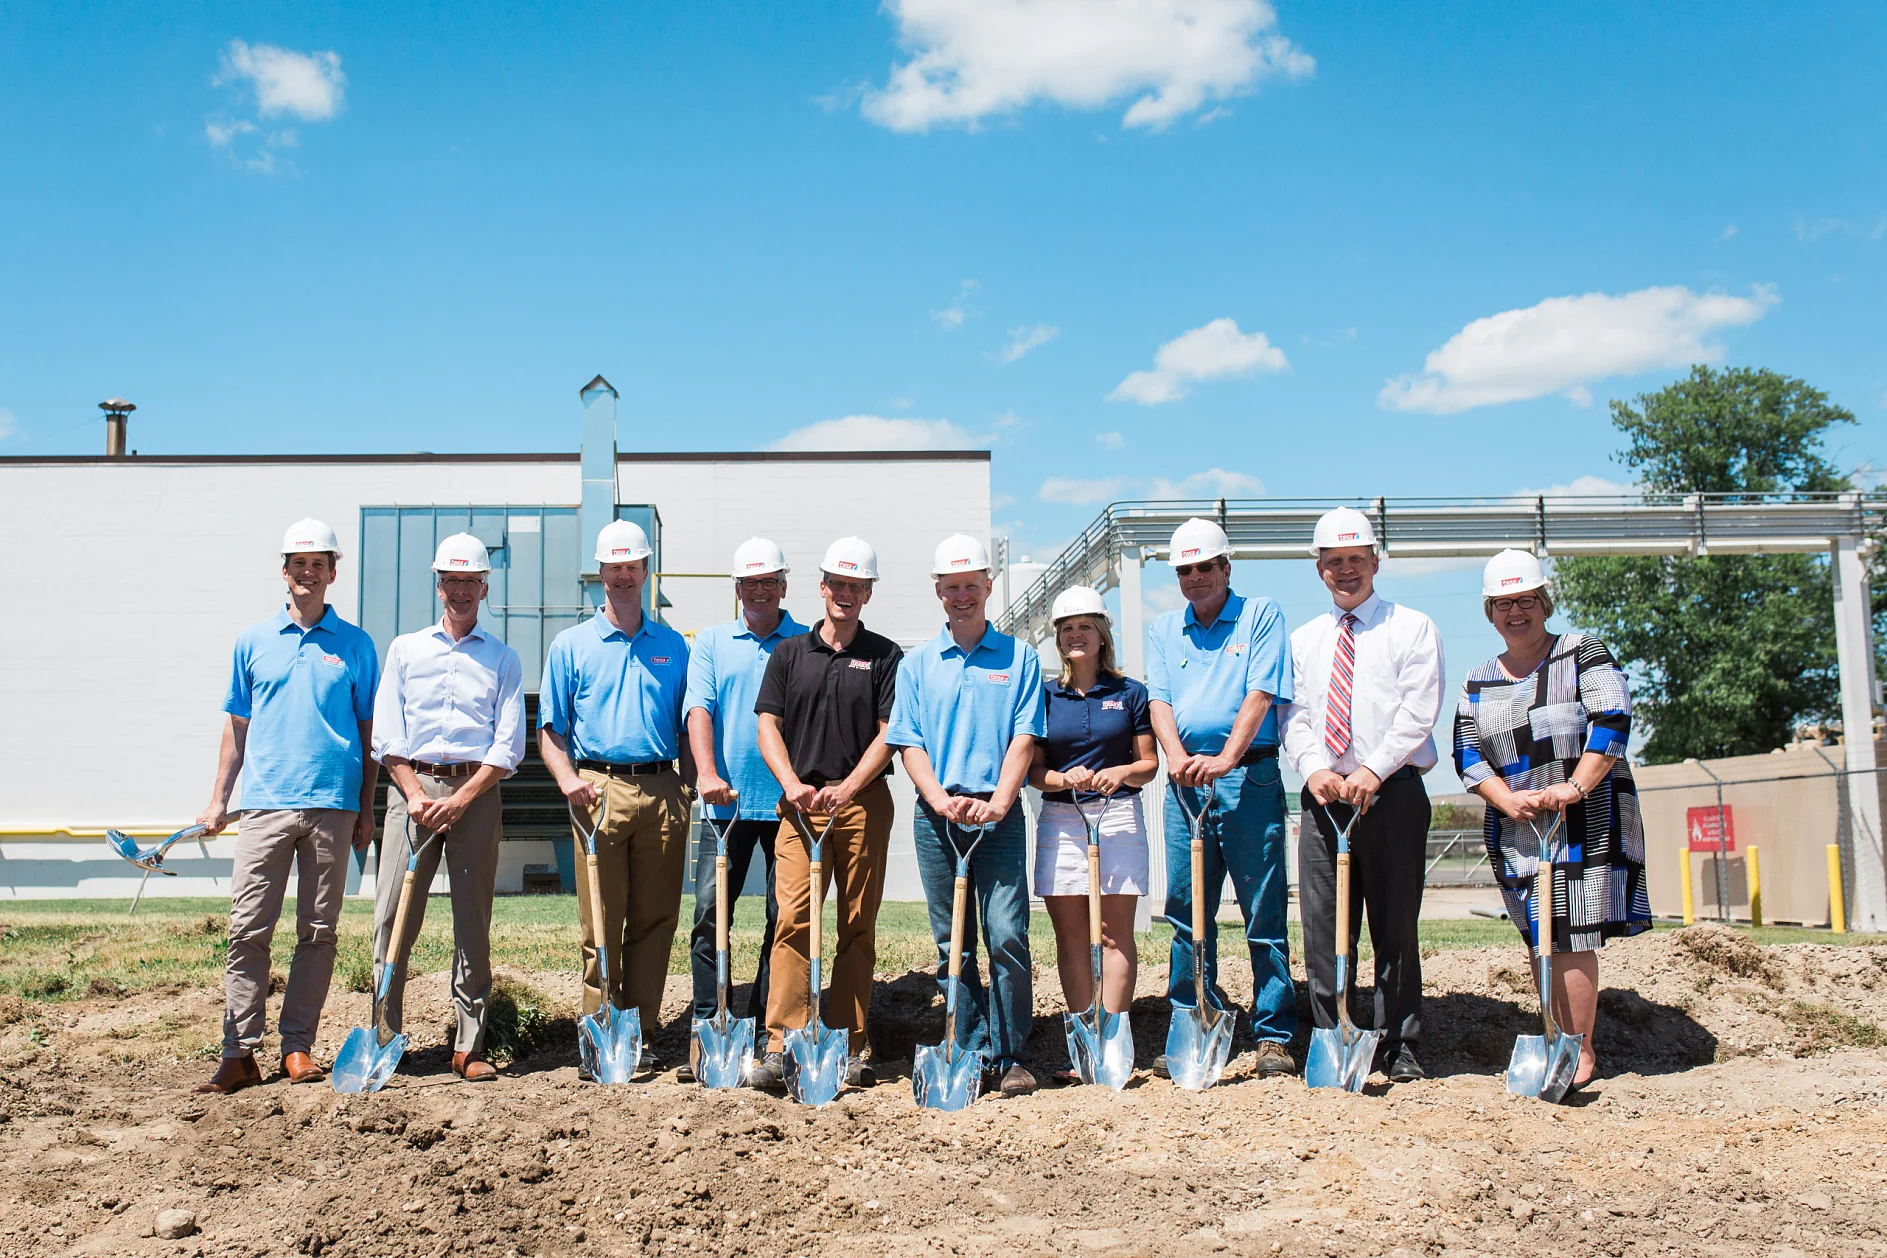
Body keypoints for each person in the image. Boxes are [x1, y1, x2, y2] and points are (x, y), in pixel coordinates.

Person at [194, 519, 380, 1094]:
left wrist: (367, 809)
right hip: (265, 806)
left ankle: (297, 1046)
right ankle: (239, 1051)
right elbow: (236, 726)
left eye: (318, 563)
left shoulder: (356, 645)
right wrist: (219, 798)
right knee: (248, 929)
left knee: (318, 932)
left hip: (333, 805)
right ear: (284, 570)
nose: (308, 572)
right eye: (298, 563)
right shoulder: (252, 642)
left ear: (332, 572)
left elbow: (370, 731)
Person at [1453, 548, 1649, 1089]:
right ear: (1489, 612)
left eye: (1527, 600)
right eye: (1504, 603)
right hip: (1517, 826)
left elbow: (1611, 722)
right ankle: (1552, 1034)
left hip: (1584, 818)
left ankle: (1579, 1051)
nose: (1517, 612)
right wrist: (1504, 799)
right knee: (1541, 933)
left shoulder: (1582, 652)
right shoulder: (1478, 680)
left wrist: (1574, 787)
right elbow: (1467, 753)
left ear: (1545, 603)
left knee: (1572, 934)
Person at [1281, 508, 1445, 1083]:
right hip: (1325, 800)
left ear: (1376, 561)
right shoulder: (1304, 640)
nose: (1345, 571)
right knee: (1324, 927)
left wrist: (1372, 771)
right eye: (1334, 562)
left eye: (1356, 559)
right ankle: (1335, 1035)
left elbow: (1418, 709)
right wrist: (1312, 769)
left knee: (1395, 927)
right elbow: (1293, 714)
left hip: (1392, 795)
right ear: (1319, 570)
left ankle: (1400, 1043)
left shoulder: (1412, 628)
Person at [887, 533, 1046, 1098]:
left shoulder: (1020, 657)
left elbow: (1025, 735)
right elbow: (909, 743)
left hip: (996, 814)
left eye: (971, 586)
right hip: (938, 816)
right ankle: (967, 1043)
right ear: (938, 591)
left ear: (988, 587)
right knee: (951, 940)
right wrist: (937, 799)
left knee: (1006, 934)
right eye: (951, 587)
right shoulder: (918, 665)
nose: (962, 596)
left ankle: (1010, 1054)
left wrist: (1000, 802)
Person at [368, 533, 526, 1083]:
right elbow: (387, 731)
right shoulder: (406, 650)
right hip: (409, 795)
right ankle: (385, 1038)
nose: (460, 590)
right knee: (392, 917)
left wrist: (460, 798)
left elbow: (507, 746)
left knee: (472, 924)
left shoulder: (503, 659)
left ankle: (469, 1045)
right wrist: (413, 793)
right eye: (451, 580)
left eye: (469, 581)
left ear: (485, 586)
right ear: (438, 585)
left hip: (474, 796)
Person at [538, 519, 693, 1075]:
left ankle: (641, 1032)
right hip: (596, 789)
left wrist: (692, 786)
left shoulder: (673, 646)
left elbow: (685, 728)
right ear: (599, 574)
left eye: (633, 567)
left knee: (655, 921)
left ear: (645, 571)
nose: (624, 576)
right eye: (614, 568)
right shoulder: (571, 644)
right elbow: (550, 730)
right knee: (601, 921)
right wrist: (567, 780)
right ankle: (601, 1031)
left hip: (662, 789)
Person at [1145, 516, 1297, 1078]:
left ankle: (1275, 1034)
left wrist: (1228, 758)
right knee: (1187, 911)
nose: (1195, 578)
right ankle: (1193, 1019)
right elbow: (1159, 700)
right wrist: (1177, 756)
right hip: (1186, 782)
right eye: (1185, 570)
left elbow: (1260, 693)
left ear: (1225, 567)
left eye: (1205, 567)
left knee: (1262, 909)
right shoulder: (1164, 629)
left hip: (1248, 777)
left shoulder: (1260, 615)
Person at [748, 537, 902, 1090]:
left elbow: (890, 734)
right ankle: (781, 1041)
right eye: (837, 583)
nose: (845, 593)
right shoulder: (789, 653)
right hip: (799, 808)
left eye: (856, 586)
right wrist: (791, 785)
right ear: (822, 586)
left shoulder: (885, 655)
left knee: (857, 924)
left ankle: (850, 1042)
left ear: (867, 593)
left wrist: (849, 787)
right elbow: (768, 724)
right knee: (793, 920)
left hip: (862, 805)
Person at [678, 537, 801, 1082]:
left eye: (768, 582)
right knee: (710, 915)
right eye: (749, 583)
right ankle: (709, 1027)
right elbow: (699, 708)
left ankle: (762, 1028)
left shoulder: (804, 640)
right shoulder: (710, 642)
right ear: (736, 589)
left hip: (784, 807)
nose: (758, 592)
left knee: (784, 921)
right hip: (724, 806)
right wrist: (707, 773)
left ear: (783, 585)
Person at [1028, 586, 1158, 1084]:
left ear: (1102, 635)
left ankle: (1113, 1041)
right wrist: (1063, 780)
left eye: (1084, 627)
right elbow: (1035, 769)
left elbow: (1148, 764)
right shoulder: (1044, 695)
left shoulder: (1130, 693)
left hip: (1118, 815)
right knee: (1072, 936)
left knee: (1113, 933)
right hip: (1062, 819)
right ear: (1058, 640)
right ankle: (1083, 1047)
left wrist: (1120, 772)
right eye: (1066, 629)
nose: (1075, 635)